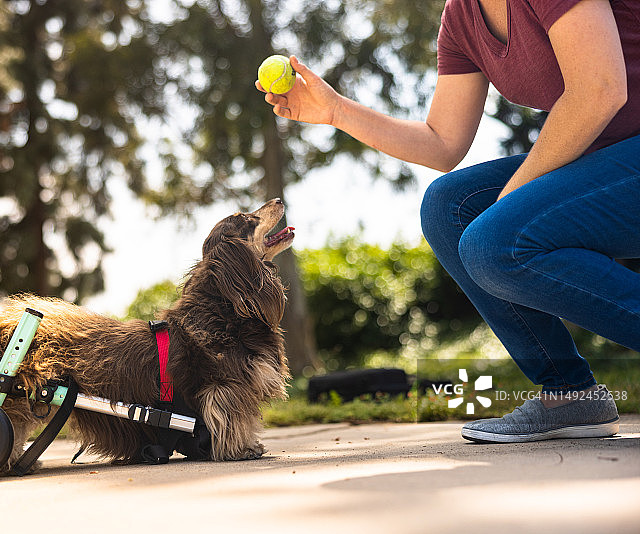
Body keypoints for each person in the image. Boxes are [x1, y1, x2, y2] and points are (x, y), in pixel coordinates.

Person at [258, 0, 640, 443]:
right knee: (449, 207)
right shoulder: (462, 17)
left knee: (494, 239)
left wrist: (513, 194)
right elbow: (443, 142)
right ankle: (572, 396)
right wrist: (337, 111)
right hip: (607, 170)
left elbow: (600, 89)